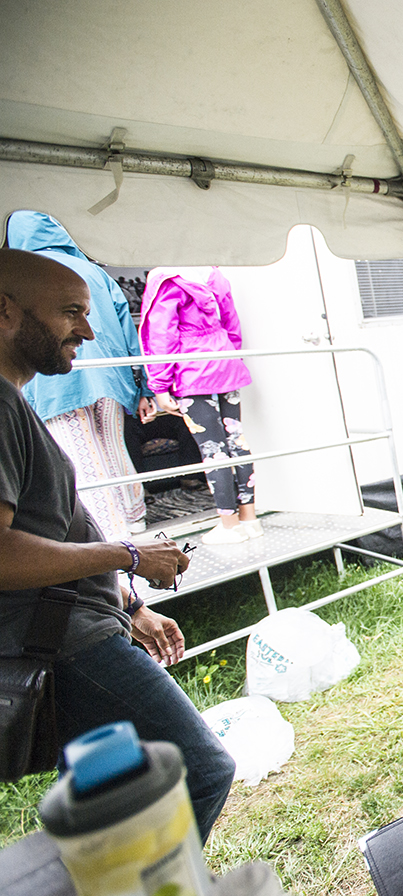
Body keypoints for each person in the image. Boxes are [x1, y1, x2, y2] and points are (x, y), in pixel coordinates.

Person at [0, 249, 235, 841]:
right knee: (200, 770)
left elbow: (52, 526)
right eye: (70, 311)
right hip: (64, 646)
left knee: (106, 807)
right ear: (4, 312)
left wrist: (127, 604)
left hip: (76, 625)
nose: (88, 327)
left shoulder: (14, 402)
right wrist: (129, 557)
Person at [7, 211, 155, 542]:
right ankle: (136, 520)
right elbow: (129, 331)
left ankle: (112, 543)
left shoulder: (27, 274)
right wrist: (143, 384)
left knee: (85, 466)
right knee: (114, 450)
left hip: (56, 385)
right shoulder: (94, 272)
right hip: (111, 378)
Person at [140, 267, 258, 545]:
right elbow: (232, 323)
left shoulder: (166, 279)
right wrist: (232, 355)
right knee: (237, 441)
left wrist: (159, 385)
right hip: (225, 361)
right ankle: (249, 519)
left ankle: (229, 526)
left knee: (212, 448)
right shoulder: (214, 274)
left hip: (193, 370)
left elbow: (160, 335)